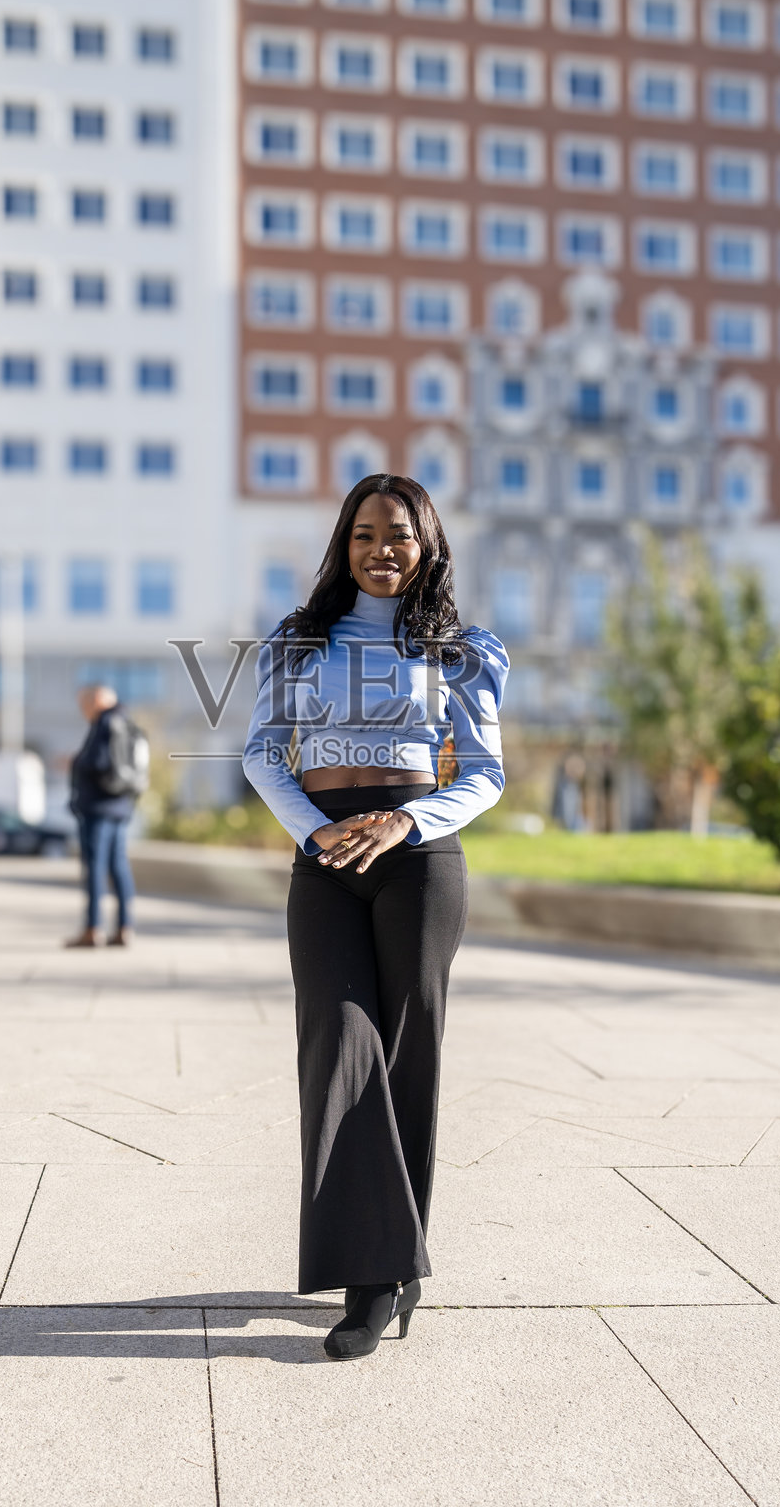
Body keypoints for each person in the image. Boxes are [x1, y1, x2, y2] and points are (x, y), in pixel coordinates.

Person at [242, 474, 509, 1361]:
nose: (379, 548)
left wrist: (403, 819)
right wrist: (319, 836)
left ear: (427, 543)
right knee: (337, 1043)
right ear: (342, 544)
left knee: (405, 1053)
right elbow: (261, 755)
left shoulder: (462, 651)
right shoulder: (299, 639)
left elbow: (482, 774)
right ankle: (374, 1260)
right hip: (324, 862)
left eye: (397, 533)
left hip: (419, 862)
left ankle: (380, 1278)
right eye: (362, 533)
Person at [66, 684, 137, 948]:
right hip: (120, 805)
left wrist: (74, 762)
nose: (83, 711)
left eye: (84, 704)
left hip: (98, 807)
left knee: (95, 868)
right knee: (119, 867)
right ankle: (124, 927)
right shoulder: (127, 722)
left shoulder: (105, 722)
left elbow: (96, 762)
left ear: (96, 700)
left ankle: (92, 928)